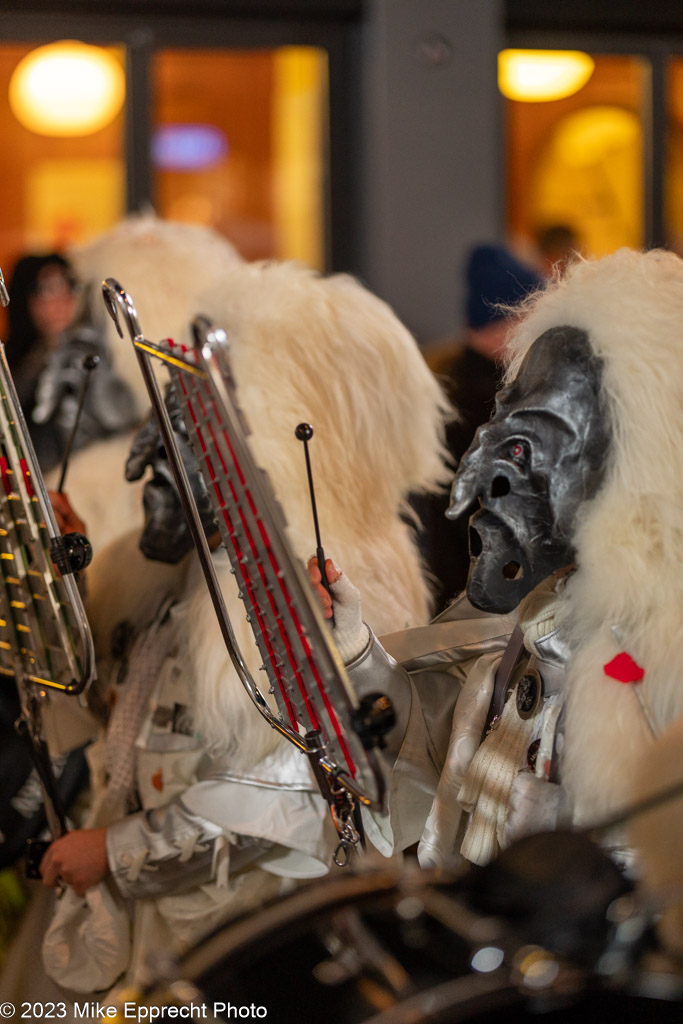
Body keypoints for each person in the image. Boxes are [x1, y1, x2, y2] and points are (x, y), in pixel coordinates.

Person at [310, 246, 683, 876]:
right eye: (501, 435)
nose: (469, 489)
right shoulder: (529, 619)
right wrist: (352, 645)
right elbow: (421, 769)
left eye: (529, 444)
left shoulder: (662, 665)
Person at [37, 404, 333, 997]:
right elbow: (102, 716)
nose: (152, 501)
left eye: (170, 479)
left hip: (227, 943)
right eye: (152, 478)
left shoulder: (268, 617)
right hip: (137, 926)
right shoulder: (151, 588)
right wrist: (64, 593)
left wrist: (114, 851)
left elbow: (279, 807)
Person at [414, 244, 544, 612]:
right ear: (508, 319)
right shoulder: (490, 402)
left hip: (448, 586)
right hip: (480, 597)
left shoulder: (447, 381)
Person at [5, 253, 139, 472]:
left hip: (95, 475)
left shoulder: (93, 348)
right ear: (25, 298)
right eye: (46, 288)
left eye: (68, 284)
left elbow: (118, 417)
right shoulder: (18, 361)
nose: (61, 298)